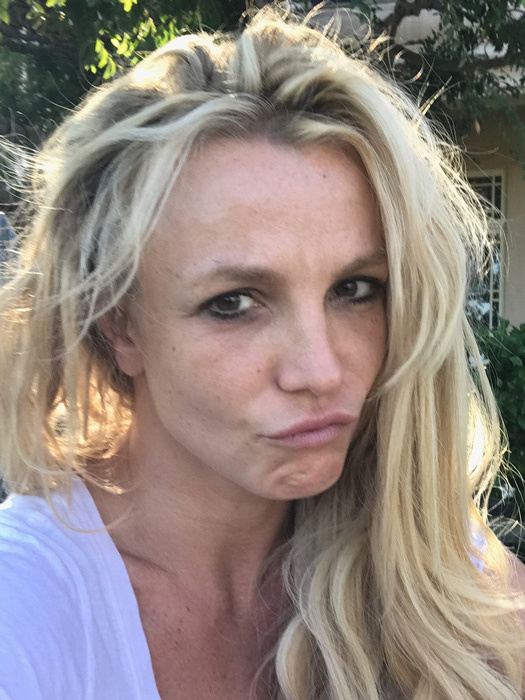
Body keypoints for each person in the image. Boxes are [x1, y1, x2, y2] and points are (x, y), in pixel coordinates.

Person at [0, 7, 523, 700]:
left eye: (355, 289)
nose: (321, 371)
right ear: (118, 324)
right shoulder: (25, 612)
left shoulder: (422, 563)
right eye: (233, 302)